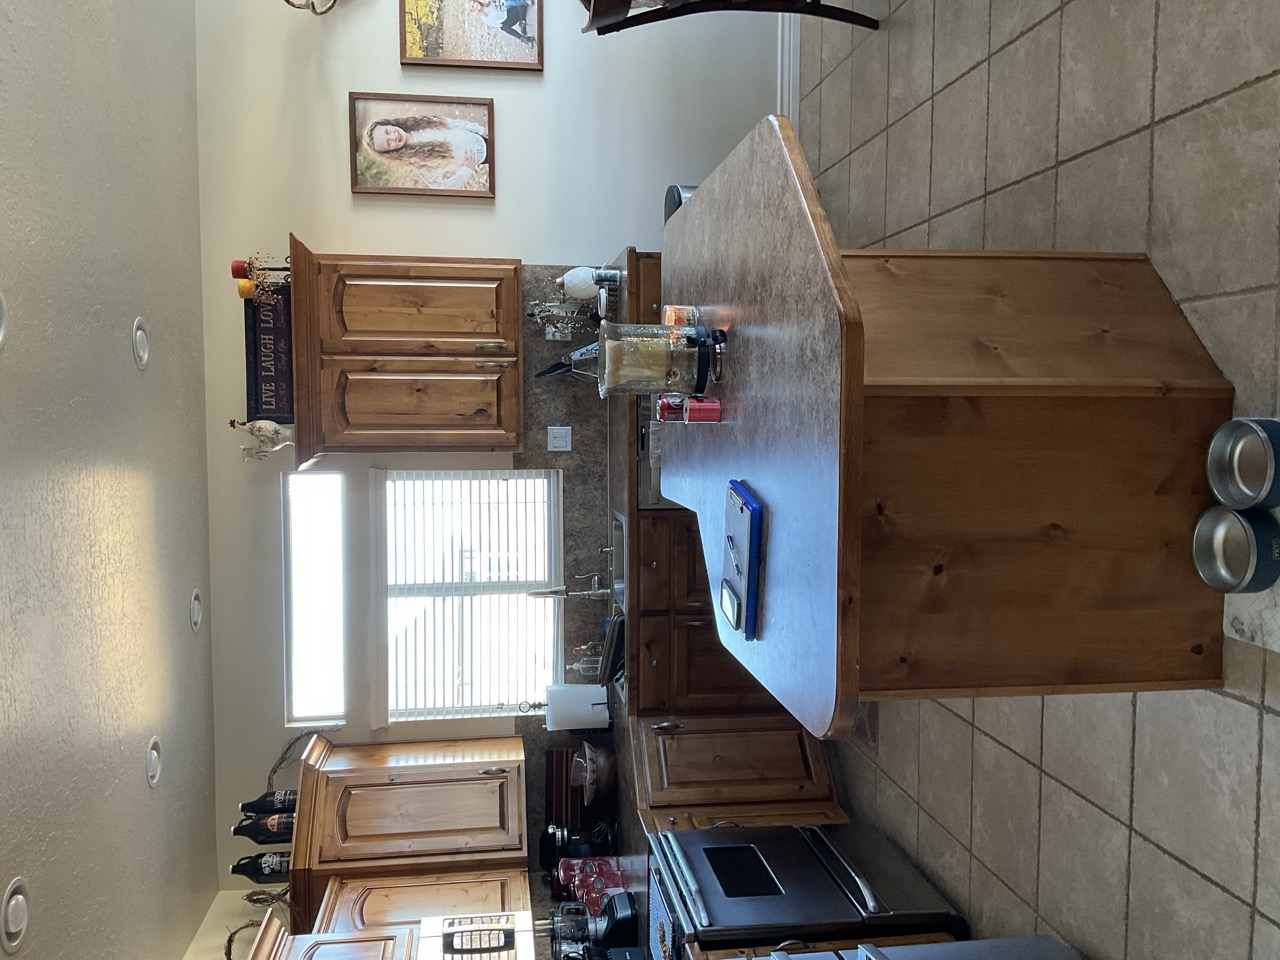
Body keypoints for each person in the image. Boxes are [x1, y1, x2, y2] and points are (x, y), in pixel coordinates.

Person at [364, 115, 490, 191]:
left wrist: (480, 129)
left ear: (389, 124)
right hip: (484, 156)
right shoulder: (418, 162)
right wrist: (467, 170)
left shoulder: (421, 124)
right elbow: (441, 187)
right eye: (388, 143)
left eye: (387, 132)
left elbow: (453, 123)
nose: (393, 137)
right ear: (390, 151)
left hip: (480, 136)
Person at [469, 0, 535, 45]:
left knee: (514, 3)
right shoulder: (485, 19)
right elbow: (499, 24)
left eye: (474, 2)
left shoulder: (487, 3)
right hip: (510, 19)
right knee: (502, 27)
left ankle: (522, 21)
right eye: (473, 6)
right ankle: (522, 38)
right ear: (474, 10)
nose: (475, 4)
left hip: (511, 9)